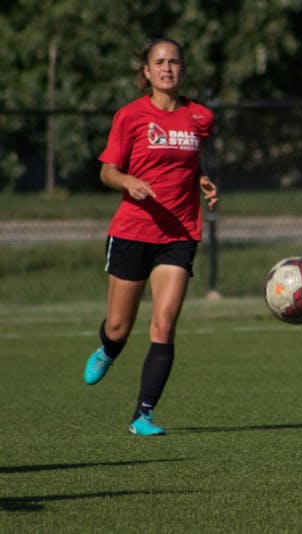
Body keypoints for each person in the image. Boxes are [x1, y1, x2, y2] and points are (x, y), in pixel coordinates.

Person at [82, 37, 218, 436]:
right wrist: (128, 180)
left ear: (183, 68)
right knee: (120, 327)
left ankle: (142, 415)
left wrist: (203, 180)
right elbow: (107, 170)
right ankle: (108, 347)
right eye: (159, 62)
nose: (167, 68)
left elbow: (189, 162)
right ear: (146, 71)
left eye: (174, 61)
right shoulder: (130, 116)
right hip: (132, 232)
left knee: (163, 326)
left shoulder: (200, 117)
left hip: (179, 232)